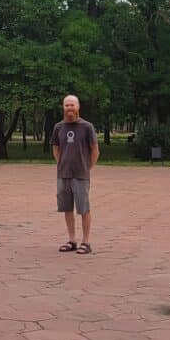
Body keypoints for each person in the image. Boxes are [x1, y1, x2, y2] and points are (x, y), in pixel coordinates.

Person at [52, 94, 99, 254]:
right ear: (63, 108)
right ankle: (72, 240)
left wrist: (88, 167)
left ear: (78, 107)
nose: (69, 108)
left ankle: (86, 242)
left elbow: (94, 150)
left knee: (83, 208)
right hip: (63, 174)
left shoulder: (87, 127)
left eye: (72, 105)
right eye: (67, 105)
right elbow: (56, 148)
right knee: (66, 208)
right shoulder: (58, 127)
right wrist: (61, 163)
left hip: (81, 175)